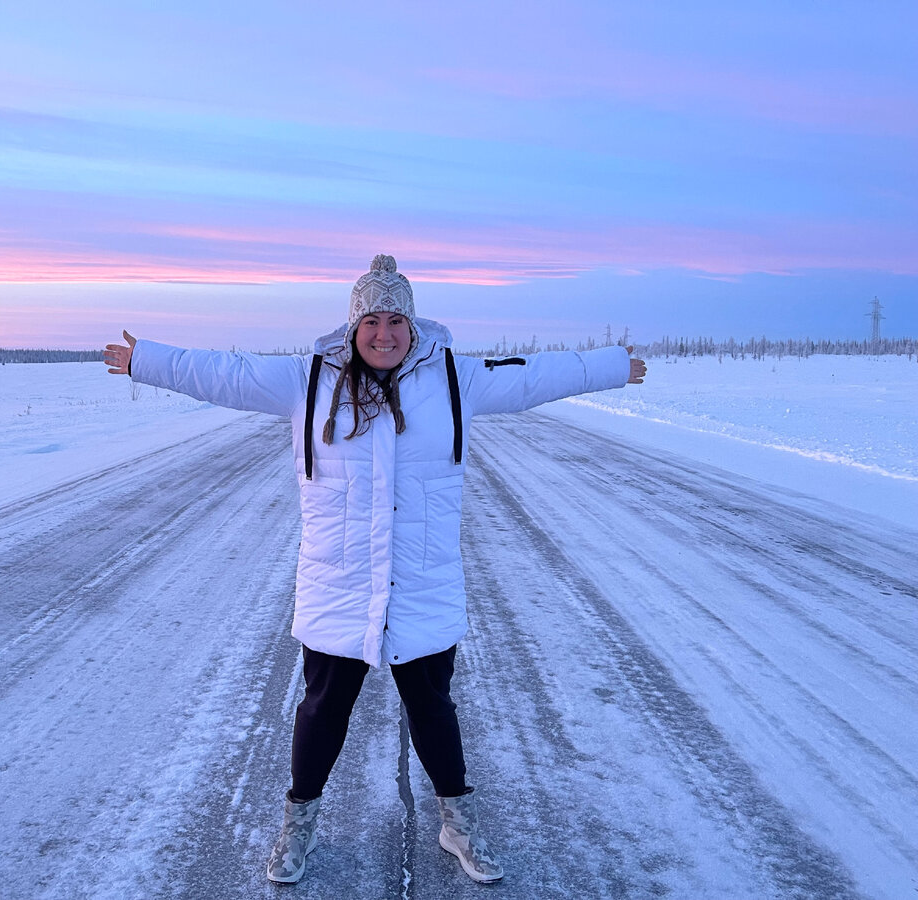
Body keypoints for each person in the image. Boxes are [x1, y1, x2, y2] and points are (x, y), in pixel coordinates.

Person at [104, 254, 646, 885]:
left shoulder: (453, 378)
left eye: (396, 320)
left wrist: (610, 365)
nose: (384, 333)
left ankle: (457, 823)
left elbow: (531, 375)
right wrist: (149, 360)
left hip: (422, 581)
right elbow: (230, 373)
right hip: (339, 581)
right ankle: (297, 825)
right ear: (352, 326)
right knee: (322, 711)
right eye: (372, 321)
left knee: (433, 709)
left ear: (413, 326)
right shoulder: (309, 379)